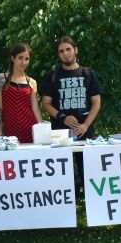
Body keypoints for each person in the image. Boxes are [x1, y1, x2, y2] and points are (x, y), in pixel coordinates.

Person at [41, 35, 101, 197]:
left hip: (85, 133)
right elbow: (45, 103)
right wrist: (62, 117)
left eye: (68, 49)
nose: (65, 54)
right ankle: (63, 211)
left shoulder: (88, 74)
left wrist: (86, 125)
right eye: (61, 51)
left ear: (75, 49)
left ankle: (91, 209)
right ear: (58, 55)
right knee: (62, 176)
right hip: (60, 134)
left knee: (87, 174)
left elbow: (96, 102)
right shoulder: (52, 76)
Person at [0, 43, 42, 142]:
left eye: (27, 59)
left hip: (30, 129)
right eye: (20, 58)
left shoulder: (32, 82)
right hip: (9, 130)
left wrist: (42, 129)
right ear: (13, 58)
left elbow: (35, 109)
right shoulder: (1, 78)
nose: (24, 62)